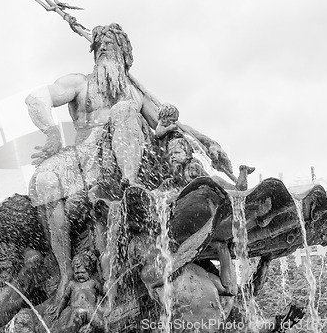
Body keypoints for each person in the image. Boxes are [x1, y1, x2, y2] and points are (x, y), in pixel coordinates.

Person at [25, 23, 232, 308]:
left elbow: (162, 127)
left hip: (125, 162)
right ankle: (65, 274)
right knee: (44, 180)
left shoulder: (136, 97)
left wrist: (168, 117)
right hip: (83, 156)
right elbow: (36, 98)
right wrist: (50, 131)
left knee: (124, 110)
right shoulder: (80, 83)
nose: (104, 50)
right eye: (99, 47)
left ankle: (129, 187)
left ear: (125, 56)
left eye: (111, 45)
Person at [51, 251, 105, 333]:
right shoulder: (72, 284)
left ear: (90, 271)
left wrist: (97, 265)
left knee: (101, 325)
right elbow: (65, 298)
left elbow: (103, 293)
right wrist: (59, 309)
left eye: (83, 272)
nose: (80, 275)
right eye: (77, 273)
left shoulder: (93, 282)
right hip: (76, 310)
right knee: (71, 328)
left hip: (90, 309)